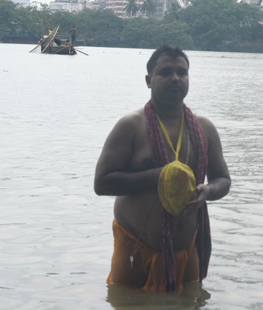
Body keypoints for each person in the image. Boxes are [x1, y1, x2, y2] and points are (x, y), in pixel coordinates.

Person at [94, 45, 231, 293]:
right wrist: (157, 175)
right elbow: (102, 183)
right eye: (165, 72)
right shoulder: (131, 126)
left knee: (188, 302)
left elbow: (223, 179)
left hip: (185, 248)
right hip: (135, 246)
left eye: (182, 72)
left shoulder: (204, 128)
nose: (175, 78)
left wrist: (207, 192)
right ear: (149, 80)